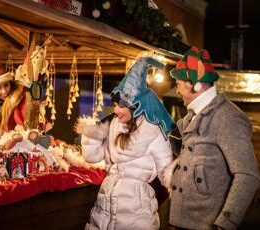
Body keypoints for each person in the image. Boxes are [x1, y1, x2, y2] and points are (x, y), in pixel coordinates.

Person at [75, 57, 175, 229]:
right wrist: (91, 133)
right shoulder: (113, 126)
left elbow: (167, 175)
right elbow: (91, 156)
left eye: (121, 106)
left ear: (136, 106)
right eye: (115, 105)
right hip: (105, 207)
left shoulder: (154, 132)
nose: (116, 110)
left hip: (136, 210)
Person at [167, 47, 260, 229]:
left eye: (178, 84)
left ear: (196, 84)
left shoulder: (228, 117)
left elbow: (248, 176)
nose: (177, 91)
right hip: (180, 222)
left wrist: (225, 223)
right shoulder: (193, 116)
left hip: (204, 225)